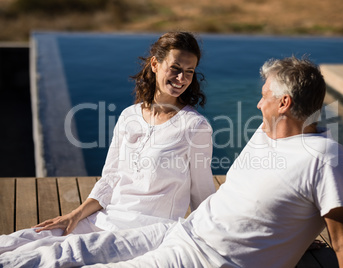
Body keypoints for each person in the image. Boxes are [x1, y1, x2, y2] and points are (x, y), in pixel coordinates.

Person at [0, 56, 343, 268]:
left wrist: (298, 236)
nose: (258, 103)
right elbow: (264, 199)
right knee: (69, 250)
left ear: (284, 103)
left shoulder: (325, 158)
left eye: (264, 96)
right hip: (182, 230)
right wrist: (295, 234)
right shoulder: (266, 135)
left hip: (205, 258)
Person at [0, 31, 215, 255]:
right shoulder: (129, 116)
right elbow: (111, 178)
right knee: (26, 239)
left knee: (52, 256)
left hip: (146, 233)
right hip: (105, 218)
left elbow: (202, 193)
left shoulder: (195, 127)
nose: (182, 78)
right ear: (155, 64)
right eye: (176, 68)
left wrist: (206, 246)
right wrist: (76, 214)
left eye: (189, 72)